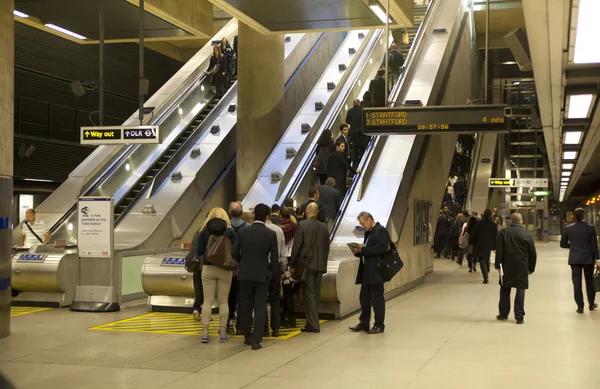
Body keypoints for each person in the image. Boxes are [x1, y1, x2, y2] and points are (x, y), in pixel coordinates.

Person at [232, 203, 279, 350]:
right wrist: (271, 273)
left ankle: (247, 335)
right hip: (262, 274)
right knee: (260, 306)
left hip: (244, 274)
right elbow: (275, 258)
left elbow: (234, 252)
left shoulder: (243, 232)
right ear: (267, 216)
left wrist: (243, 261)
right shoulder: (270, 234)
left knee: (245, 306)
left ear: (253, 214)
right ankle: (257, 339)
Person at [195, 207, 237, 343]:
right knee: (223, 301)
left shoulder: (204, 231)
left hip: (208, 268)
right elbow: (236, 249)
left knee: (207, 301)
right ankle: (223, 331)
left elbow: (200, 251)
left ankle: (205, 331)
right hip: (225, 268)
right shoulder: (230, 231)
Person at [290, 203, 330, 333]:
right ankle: (311, 321)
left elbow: (297, 246)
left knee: (309, 294)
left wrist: (292, 263)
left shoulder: (302, 225)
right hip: (320, 265)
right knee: (315, 294)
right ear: (317, 212)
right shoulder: (324, 227)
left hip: (307, 265)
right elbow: (326, 247)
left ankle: (313, 324)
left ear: (307, 211)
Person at [349, 212, 389, 334]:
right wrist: (358, 252)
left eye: (363, 223)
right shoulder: (369, 232)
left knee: (377, 299)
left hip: (376, 271)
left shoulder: (380, 231)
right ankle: (364, 322)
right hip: (367, 270)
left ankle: (379, 324)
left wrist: (364, 250)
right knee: (364, 298)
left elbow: (382, 248)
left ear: (369, 220)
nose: (363, 226)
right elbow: (368, 250)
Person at [495, 213, 537, 324]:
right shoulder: (527, 234)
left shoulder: (503, 232)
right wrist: (531, 268)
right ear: (521, 221)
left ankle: (503, 314)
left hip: (506, 265)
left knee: (505, 289)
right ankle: (519, 316)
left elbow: (499, 250)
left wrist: (497, 265)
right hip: (522, 265)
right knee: (520, 290)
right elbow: (532, 252)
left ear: (510, 221)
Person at [560, 208, 600, 313]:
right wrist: (597, 258)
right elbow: (594, 246)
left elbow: (562, 244)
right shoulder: (590, 228)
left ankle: (580, 306)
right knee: (590, 282)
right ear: (584, 216)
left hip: (575, 259)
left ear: (574, 216)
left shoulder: (568, 228)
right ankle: (591, 304)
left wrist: (573, 247)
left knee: (576, 283)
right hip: (588, 259)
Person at [264, 207, 287, 337]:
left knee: (261, 298)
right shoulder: (278, 230)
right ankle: (276, 328)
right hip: (275, 266)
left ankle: (264, 329)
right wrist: (283, 269)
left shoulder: (255, 230)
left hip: (262, 266)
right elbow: (282, 253)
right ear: (269, 216)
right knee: (275, 297)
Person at [227, 201, 246, 334]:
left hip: (227, 268)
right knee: (243, 297)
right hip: (243, 269)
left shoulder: (224, 229)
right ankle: (241, 325)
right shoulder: (248, 228)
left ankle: (227, 323)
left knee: (228, 298)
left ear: (229, 213)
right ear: (241, 213)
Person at [279, 206, 299, 327]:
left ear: (281, 215)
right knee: (288, 291)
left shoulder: (277, 228)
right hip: (291, 260)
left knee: (277, 291)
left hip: (280, 260)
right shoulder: (295, 227)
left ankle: (281, 316)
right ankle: (290, 317)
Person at [471, 209, 497, 284]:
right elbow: (495, 236)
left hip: (480, 244)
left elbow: (473, 233)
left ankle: (485, 276)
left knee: (482, 259)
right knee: (487, 259)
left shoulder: (479, 223)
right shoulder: (493, 225)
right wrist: (495, 246)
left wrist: (471, 242)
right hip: (489, 245)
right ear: (490, 215)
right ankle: (487, 271)